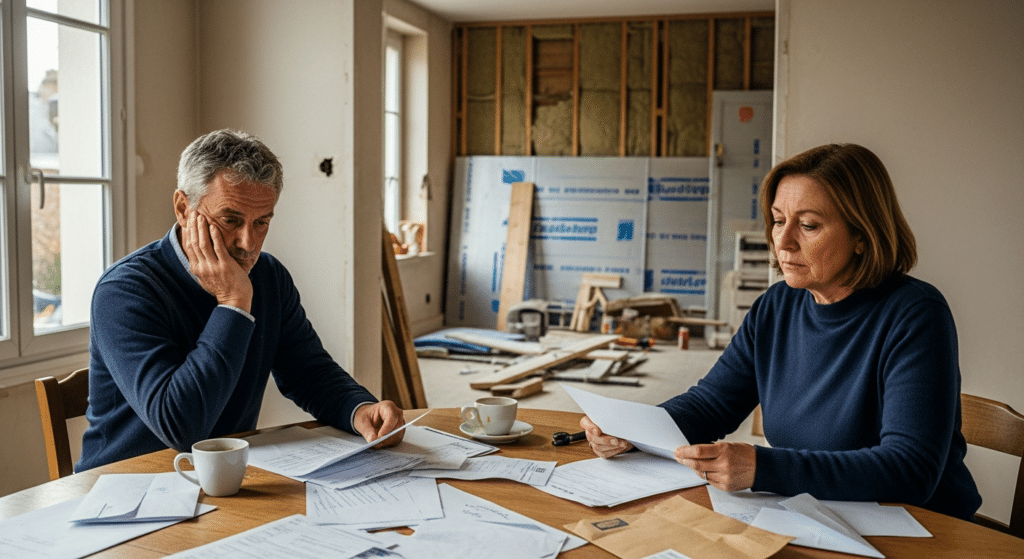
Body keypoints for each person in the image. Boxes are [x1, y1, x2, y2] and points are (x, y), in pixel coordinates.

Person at [581, 143, 982, 521]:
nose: (783, 241)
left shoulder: (915, 313)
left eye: (808, 225)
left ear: (862, 236)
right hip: (817, 514)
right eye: (777, 220)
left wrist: (761, 466)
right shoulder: (776, 307)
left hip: (924, 531)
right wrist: (633, 431)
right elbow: (712, 404)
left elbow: (909, 469)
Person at [77, 129, 405, 471]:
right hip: (125, 491)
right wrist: (233, 301)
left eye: (261, 222)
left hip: (222, 483)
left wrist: (359, 409)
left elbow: (308, 371)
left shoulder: (269, 276)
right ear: (182, 209)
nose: (249, 242)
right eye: (230, 220)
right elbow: (180, 427)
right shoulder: (124, 290)